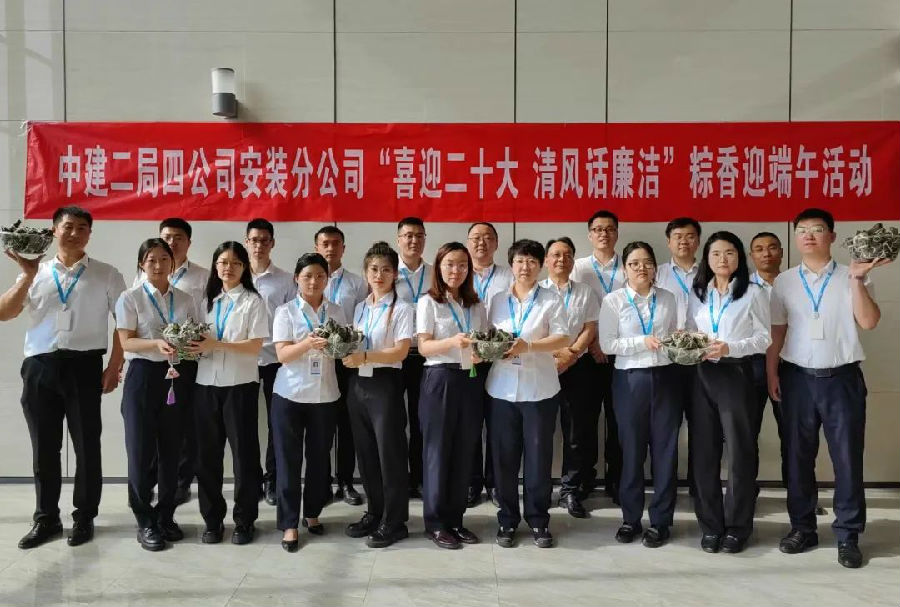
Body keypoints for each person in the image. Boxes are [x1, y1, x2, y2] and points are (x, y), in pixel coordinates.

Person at [768, 208, 889, 569]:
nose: (809, 235)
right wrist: (771, 373)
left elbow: (869, 321)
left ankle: (848, 534)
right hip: (796, 378)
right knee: (797, 457)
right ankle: (802, 527)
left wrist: (857, 281)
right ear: (795, 238)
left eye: (817, 229)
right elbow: (777, 331)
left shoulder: (853, 274)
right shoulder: (785, 281)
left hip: (842, 379)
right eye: (802, 230)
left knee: (847, 458)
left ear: (832, 236)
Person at [0, 206, 126, 549]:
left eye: (82, 227)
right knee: (44, 447)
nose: (74, 233)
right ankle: (46, 519)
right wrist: (27, 277)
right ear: (54, 230)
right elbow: (5, 312)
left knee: (87, 445)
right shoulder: (36, 271)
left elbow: (125, 324)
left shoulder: (107, 274)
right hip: (40, 367)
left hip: (84, 366)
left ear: (90, 234)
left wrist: (114, 366)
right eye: (68, 226)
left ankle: (84, 517)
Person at [687, 231, 771, 554]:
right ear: (707, 259)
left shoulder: (753, 292)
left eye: (730, 253)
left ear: (739, 258)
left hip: (736, 373)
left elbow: (763, 339)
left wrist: (729, 347)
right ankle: (710, 526)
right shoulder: (698, 293)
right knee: (703, 453)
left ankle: (737, 527)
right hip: (702, 374)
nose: (723, 259)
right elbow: (691, 330)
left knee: (739, 453)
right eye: (716, 254)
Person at [116, 238, 200, 551]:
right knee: (140, 451)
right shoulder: (131, 297)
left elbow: (194, 333)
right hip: (143, 376)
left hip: (176, 376)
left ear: (172, 263)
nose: (158, 265)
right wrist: (155, 343)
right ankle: (145, 520)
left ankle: (165, 515)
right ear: (142, 263)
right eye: (151, 259)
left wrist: (192, 345)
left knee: (172, 450)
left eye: (164, 259)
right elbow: (126, 342)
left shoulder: (185, 298)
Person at [487, 239, 569, 548]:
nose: (526, 267)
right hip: (501, 390)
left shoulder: (552, 299)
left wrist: (529, 346)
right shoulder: (496, 300)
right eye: (520, 261)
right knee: (504, 460)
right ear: (512, 265)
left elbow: (563, 337)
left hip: (539, 391)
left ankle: (538, 520)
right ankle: (507, 520)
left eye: (532, 261)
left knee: (538, 460)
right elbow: (487, 337)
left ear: (541, 265)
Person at [598, 241, 680, 548]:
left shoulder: (668, 298)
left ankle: (661, 521)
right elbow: (607, 344)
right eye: (634, 263)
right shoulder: (614, 301)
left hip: (666, 377)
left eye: (647, 262)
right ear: (625, 269)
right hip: (630, 380)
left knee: (665, 452)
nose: (641, 268)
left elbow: (673, 334)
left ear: (655, 267)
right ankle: (630, 519)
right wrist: (641, 342)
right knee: (631, 452)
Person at [187, 241, 268, 545]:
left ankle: (245, 521)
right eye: (222, 262)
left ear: (244, 267)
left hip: (240, 385)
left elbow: (255, 346)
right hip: (205, 384)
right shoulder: (206, 300)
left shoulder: (253, 301)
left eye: (235, 263)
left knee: (244, 457)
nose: (228, 268)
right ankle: (212, 520)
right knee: (207, 457)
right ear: (215, 266)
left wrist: (216, 345)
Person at [270, 253, 347, 552]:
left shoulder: (336, 311)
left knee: (318, 459)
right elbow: (282, 355)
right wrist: (307, 343)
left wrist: (339, 347)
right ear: (296, 279)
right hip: (289, 394)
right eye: (307, 276)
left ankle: (312, 513)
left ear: (327, 279)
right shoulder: (285, 312)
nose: (314, 282)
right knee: (288, 461)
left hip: (325, 395)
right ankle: (289, 523)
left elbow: (343, 350)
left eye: (319, 276)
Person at [342, 242, 414, 548]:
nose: (379, 275)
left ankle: (395, 521)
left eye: (386, 269)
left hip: (385, 384)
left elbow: (401, 350)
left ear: (395, 274)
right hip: (358, 384)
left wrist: (366, 357)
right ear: (365, 272)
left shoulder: (403, 308)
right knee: (366, 453)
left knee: (390, 453)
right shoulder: (361, 307)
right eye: (373, 269)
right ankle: (374, 512)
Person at [416, 242, 488, 549]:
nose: (455, 270)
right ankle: (435, 523)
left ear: (469, 270)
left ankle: (456, 520)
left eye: (461, 265)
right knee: (438, 451)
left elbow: (482, 342)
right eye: (449, 264)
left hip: (470, 378)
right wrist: (452, 342)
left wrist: (482, 352)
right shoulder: (429, 302)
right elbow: (424, 347)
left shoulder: (476, 305)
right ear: (439, 267)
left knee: (464, 450)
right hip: (440, 379)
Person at [134, 217, 208, 505]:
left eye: (178, 237)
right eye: (167, 236)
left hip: (184, 361)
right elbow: (130, 327)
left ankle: (180, 482)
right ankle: (150, 484)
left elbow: (203, 318)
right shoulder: (140, 279)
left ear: (188, 242)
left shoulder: (202, 277)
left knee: (182, 428)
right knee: (148, 429)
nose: (172, 242)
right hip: (149, 363)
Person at [540, 237, 600, 519]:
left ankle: (570, 490)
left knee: (576, 432)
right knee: (540, 430)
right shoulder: (537, 291)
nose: (561, 260)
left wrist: (572, 354)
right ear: (546, 261)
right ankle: (539, 489)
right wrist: (554, 356)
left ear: (574, 260)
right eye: (555, 255)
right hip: (542, 366)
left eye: (567, 255)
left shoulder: (585, 292)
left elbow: (590, 327)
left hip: (578, 367)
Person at [571, 210, 624, 502]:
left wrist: (610, 344)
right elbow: (572, 309)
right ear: (590, 234)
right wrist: (592, 343)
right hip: (586, 355)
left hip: (621, 355)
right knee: (584, 422)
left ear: (617, 233)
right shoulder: (578, 267)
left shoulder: (629, 266)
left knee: (619, 422)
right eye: (598, 229)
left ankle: (617, 481)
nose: (604, 234)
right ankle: (583, 479)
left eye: (609, 229)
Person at [315, 225, 368, 506]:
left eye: (336, 243)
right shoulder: (307, 278)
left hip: (347, 362)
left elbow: (362, 323)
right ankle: (321, 481)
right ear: (316, 247)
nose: (330, 248)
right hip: (316, 361)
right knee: (321, 423)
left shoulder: (357, 283)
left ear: (343, 248)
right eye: (325, 243)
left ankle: (346, 481)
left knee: (347, 424)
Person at [245, 218, 295, 506]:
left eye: (265, 240)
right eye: (254, 240)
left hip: (277, 360)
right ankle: (252, 480)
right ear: (247, 242)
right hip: (244, 359)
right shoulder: (237, 275)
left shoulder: (286, 280)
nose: (259, 245)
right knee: (245, 423)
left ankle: (273, 479)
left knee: (278, 424)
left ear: (272, 243)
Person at [465, 222, 514, 507]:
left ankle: (496, 483)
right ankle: (471, 482)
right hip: (468, 360)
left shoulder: (509, 276)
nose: (481, 243)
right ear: (467, 243)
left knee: (498, 426)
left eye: (487, 238)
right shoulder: (458, 273)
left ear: (496, 243)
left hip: (500, 359)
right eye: (475, 238)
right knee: (470, 423)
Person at [655, 217, 702, 497]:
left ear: (698, 240)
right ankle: (666, 487)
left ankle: (699, 486)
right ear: (668, 241)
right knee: (667, 427)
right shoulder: (657, 273)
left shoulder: (710, 272)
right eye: (678, 236)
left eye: (690, 236)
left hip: (702, 360)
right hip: (667, 361)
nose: (684, 241)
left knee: (702, 425)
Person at [394, 217, 433, 498]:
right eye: (408, 235)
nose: (413, 240)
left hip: (426, 356)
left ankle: (419, 477)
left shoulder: (435, 273)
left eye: (419, 235)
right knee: (395, 420)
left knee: (422, 420)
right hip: (396, 355)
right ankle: (399, 478)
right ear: (399, 240)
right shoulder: (386, 271)